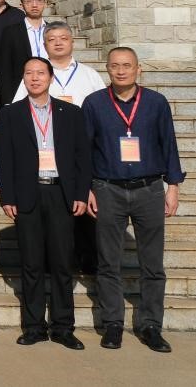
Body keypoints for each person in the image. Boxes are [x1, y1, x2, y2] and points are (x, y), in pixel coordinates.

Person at [84, 47, 185, 353]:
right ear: (107, 69)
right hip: (108, 189)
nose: (121, 71)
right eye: (115, 66)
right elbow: (85, 149)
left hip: (149, 188)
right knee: (108, 262)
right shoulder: (94, 103)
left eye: (127, 65)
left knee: (152, 264)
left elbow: (168, 143)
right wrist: (87, 189)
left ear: (138, 69)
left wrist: (173, 186)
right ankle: (113, 323)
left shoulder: (156, 102)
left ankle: (151, 325)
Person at [0, 57, 92, 349]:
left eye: (40, 73)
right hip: (28, 194)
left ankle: (63, 327)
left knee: (62, 263)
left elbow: (82, 156)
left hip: (61, 193)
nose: (35, 78)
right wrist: (8, 196)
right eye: (29, 73)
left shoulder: (70, 112)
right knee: (31, 263)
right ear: (23, 78)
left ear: (51, 78)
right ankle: (34, 326)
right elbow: (5, 158)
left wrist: (81, 193)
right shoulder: (11, 113)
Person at [10, 22, 106, 106]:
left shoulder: (90, 74)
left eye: (63, 38)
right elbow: (17, 107)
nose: (58, 43)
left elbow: (103, 106)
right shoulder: (34, 75)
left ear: (72, 42)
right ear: (44, 45)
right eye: (52, 39)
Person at [0, 0, 53, 100]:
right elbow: (5, 68)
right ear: (21, 5)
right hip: (21, 90)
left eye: (38, 0)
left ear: (45, 3)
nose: (34, 5)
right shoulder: (11, 32)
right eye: (29, 1)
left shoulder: (53, 30)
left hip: (52, 86)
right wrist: (7, 100)